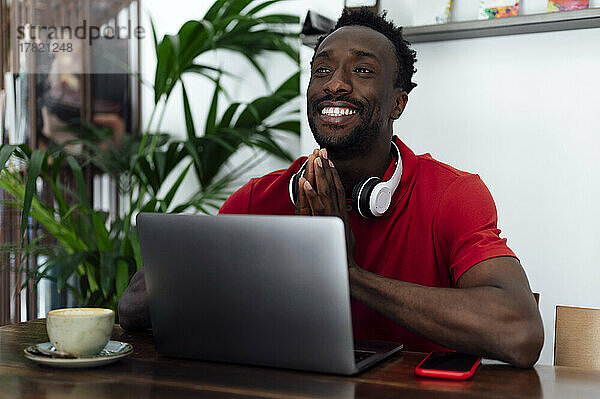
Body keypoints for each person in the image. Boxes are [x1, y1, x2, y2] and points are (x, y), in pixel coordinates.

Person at [119, 8, 543, 368]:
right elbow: (132, 308)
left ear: (398, 102)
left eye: (361, 70)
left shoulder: (452, 195)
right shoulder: (259, 197)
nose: (335, 83)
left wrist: (349, 275)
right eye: (322, 69)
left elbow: (520, 331)